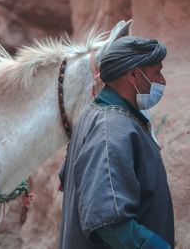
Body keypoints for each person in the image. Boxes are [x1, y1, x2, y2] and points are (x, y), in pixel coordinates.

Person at [58, 36, 174, 249]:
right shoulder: (110, 128)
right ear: (133, 75)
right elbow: (109, 223)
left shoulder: (99, 114)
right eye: (157, 72)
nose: (163, 81)